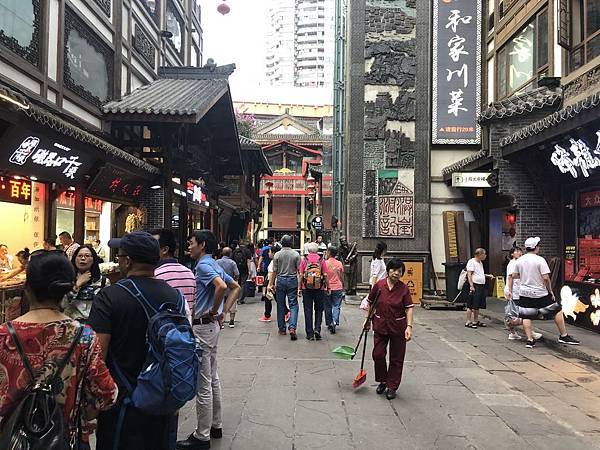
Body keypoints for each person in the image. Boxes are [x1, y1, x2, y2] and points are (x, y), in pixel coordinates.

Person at [0, 250, 118, 450]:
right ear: (66, 289)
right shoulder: (84, 336)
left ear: (27, 288)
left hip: (9, 439)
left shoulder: (3, 335)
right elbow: (107, 394)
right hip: (64, 439)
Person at [88, 232, 184, 450]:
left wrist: (91, 402)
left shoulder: (109, 297)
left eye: (120, 256)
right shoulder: (175, 297)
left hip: (122, 402)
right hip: (162, 398)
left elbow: (97, 355)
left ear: (127, 261)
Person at [177, 230, 241, 450]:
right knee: (212, 377)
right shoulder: (214, 264)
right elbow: (235, 287)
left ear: (202, 245)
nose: (189, 246)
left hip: (203, 327)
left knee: (203, 381)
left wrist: (214, 311)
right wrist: (223, 312)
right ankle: (215, 425)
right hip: (211, 327)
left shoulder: (204, 266)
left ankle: (202, 435)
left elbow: (222, 287)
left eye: (191, 243)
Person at [508, 237, 579, 349]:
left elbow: (514, 275)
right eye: (538, 245)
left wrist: (525, 276)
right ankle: (563, 335)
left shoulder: (520, 260)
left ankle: (530, 340)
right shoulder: (540, 260)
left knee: (526, 315)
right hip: (540, 292)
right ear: (536, 247)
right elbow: (546, 278)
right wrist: (550, 290)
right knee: (557, 310)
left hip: (524, 292)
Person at [365, 258, 414, 400]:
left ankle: (392, 386)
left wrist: (409, 327)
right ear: (388, 270)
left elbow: (409, 308)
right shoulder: (379, 286)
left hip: (398, 327)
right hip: (380, 325)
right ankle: (383, 380)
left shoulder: (403, 289)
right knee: (378, 354)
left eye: (399, 271)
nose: (396, 273)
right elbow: (371, 303)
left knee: (397, 358)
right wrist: (367, 320)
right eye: (393, 270)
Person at [152, 228, 196, 324]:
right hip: (185, 329)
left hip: (164, 330)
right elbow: (193, 308)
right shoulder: (189, 273)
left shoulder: (155, 275)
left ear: (165, 250)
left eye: (152, 246)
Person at [504, 247, 544, 342]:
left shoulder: (518, 262)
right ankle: (529, 333)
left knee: (515, 314)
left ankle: (513, 333)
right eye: (516, 251)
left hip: (518, 291)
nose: (519, 253)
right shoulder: (513, 263)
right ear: (512, 254)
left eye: (520, 251)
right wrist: (510, 291)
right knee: (520, 314)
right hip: (515, 292)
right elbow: (510, 278)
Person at [64, 244, 109, 322]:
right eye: (80, 256)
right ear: (74, 259)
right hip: (72, 324)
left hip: (94, 324)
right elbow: (62, 305)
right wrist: (77, 285)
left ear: (93, 260)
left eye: (87, 256)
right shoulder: (67, 279)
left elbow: (106, 306)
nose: (83, 258)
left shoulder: (103, 281)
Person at [269, 236, 301, 337]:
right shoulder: (296, 254)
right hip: (292, 280)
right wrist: (300, 286)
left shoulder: (277, 254)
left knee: (280, 305)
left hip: (280, 280)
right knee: (293, 304)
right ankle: (292, 327)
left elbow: (274, 271)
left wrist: (271, 284)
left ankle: (282, 329)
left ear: (282, 243)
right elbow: (299, 271)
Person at [299, 242, 329, 341]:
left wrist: (299, 288)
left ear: (308, 250)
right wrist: (328, 287)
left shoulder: (304, 260)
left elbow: (301, 275)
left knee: (308, 310)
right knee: (319, 309)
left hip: (306, 288)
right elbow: (325, 275)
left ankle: (309, 333)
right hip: (319, 288)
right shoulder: (321, 260)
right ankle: (317, 329)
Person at [465, 248, 494, 329]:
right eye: (484, 254)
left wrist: (487, 275)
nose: (485, 256)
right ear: (479, 254)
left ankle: (476, 320)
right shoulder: (472, 262)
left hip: (481, 285)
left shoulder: (480, 262)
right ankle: (468, 321)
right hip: (475, 285)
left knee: (477, 304)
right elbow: (469, 274)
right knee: (471, 304)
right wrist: (471, 286)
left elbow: (479, 274)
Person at [216, 247, 240, 328]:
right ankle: (231, 321)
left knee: (220, 302)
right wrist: (234, 280)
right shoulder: (232, 263)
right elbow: (237, 274)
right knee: (233, 302)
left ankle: (221, 321)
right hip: (230, 285)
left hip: (219, 284)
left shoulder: (217, 262)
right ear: (230, 254)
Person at [324, 245, 344, 334]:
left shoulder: (325, 263)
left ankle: (329, 323)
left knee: (327, 306)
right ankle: (334, 322)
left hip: (327, 287)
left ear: (329, 252)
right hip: (338, 287)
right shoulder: (339, 263)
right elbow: (342, 276)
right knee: (336, 305)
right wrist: (343, 284)